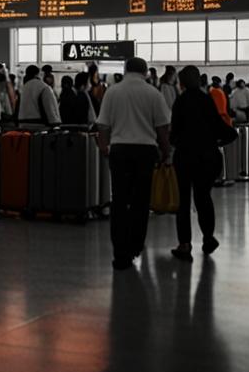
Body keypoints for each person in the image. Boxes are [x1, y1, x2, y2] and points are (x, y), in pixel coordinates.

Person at [94, 57, 172, 270]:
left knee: (119, 201)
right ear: (146, 72)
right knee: (140, 201)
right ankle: (135, 245)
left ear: (125, 70)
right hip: (145, 152)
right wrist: (166, 152)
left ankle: (120, 254)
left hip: (119, 151)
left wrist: (104, 147)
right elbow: (162, 129)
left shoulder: (113, 92)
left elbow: (103, 125)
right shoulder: (153, 94)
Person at [169, 66, 236, 261]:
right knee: (203, 198)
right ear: (199, 80)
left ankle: (185, 244)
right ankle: (208, 237)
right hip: (208, 157)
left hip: (185, 157)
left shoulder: (180, 102)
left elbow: (174, 134)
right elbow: (223, 129)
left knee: (183, 201)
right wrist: (218, 142)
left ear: (181, 83)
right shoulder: (207, 100)